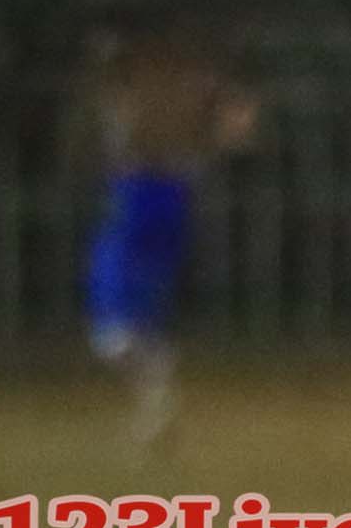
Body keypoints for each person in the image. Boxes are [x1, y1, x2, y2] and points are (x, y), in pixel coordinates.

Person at [81, 32, 256, 445]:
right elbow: (235, 130)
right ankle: (155, 408)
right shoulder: (191, 90)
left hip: (139, 196)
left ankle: (153, 398)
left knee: (115, 325)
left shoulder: (139, 97)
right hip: (171, 193)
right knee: (143, 314)